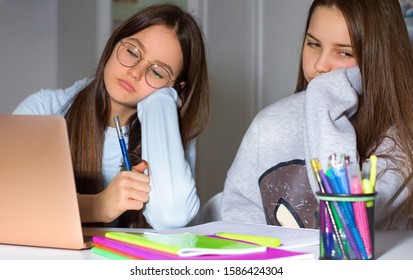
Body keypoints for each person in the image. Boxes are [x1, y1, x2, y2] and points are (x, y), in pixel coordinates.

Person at [13, 3, 210, 230]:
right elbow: (10, 204)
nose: (135, 72)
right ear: (115, 42)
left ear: (175, 89)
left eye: (157, 72)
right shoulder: (44, 110)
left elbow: (171, 216)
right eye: (132, 51)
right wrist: (97, 206)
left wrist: (162, 103)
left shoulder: (166, 127)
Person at [221, 0, 413, 230]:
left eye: (344, 52)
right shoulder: (270, 124)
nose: (320, 64)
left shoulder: (400, 139)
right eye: (313, 44)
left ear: (380, 61)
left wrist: (323, 98)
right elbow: (239, 218)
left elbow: (345, 218)